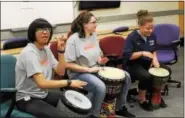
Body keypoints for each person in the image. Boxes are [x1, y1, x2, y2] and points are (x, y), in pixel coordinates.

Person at [64, 11, 135, 117]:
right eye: (93, 22)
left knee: (126, 76)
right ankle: (94, 114)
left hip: (95, 68)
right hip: (78, 73)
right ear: (85, 24)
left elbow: (97, 52)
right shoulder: (73, 40)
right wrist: (88, 70)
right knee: (100, 87)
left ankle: (120, 107)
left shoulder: (93, 35)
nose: (96, 24)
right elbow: (67, 64)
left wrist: (100, 60)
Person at [15, 18, 87, 118]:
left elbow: (60, 72)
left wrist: (61, 51)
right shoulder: (29, 53)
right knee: (61, 116)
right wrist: (69, 82)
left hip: (42, 94)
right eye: (40, 29)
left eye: (48, 29)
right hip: (27, 98)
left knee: (72, 104)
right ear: (32, 33)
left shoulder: (46, 50)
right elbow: (42, 83)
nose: (45, 32)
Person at [123, 10, 172, 111]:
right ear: (140, 26)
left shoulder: (152, 36)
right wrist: (142, 53)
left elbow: (154, 51)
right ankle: (142, 99)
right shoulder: (132, 37)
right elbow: (128, 56)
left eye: (152, 28)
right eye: (147, 29)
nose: (150, 31)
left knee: (167, 71)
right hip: (132, 65)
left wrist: (155, 60)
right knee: (146, 76)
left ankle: (155, 95)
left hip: (147, 63)